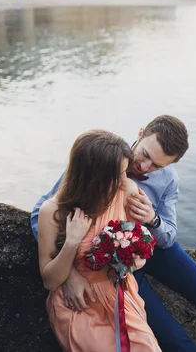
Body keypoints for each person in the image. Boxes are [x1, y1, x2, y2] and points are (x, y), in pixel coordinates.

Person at [31, 115, 196, 352]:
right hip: (115, 263)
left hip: (156, 249)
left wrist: (153, 218)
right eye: (146, 156)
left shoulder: (169, 178)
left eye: (157, 166)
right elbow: (41, 214)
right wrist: (69, 272)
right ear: (140, 133)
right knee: (171, 336)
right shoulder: (100, 159)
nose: (144, 167)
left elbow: (168, 235)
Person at [37, 129, 160, 352]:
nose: (125, 179)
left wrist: (132, 260)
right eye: (118, 174)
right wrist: (72, 241)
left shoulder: (126, 192)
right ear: (94, 176)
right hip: (78, 301)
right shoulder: (52, 211)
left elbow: (139, 254)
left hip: (119, 295)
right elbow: (50, 281)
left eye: (125, 172)